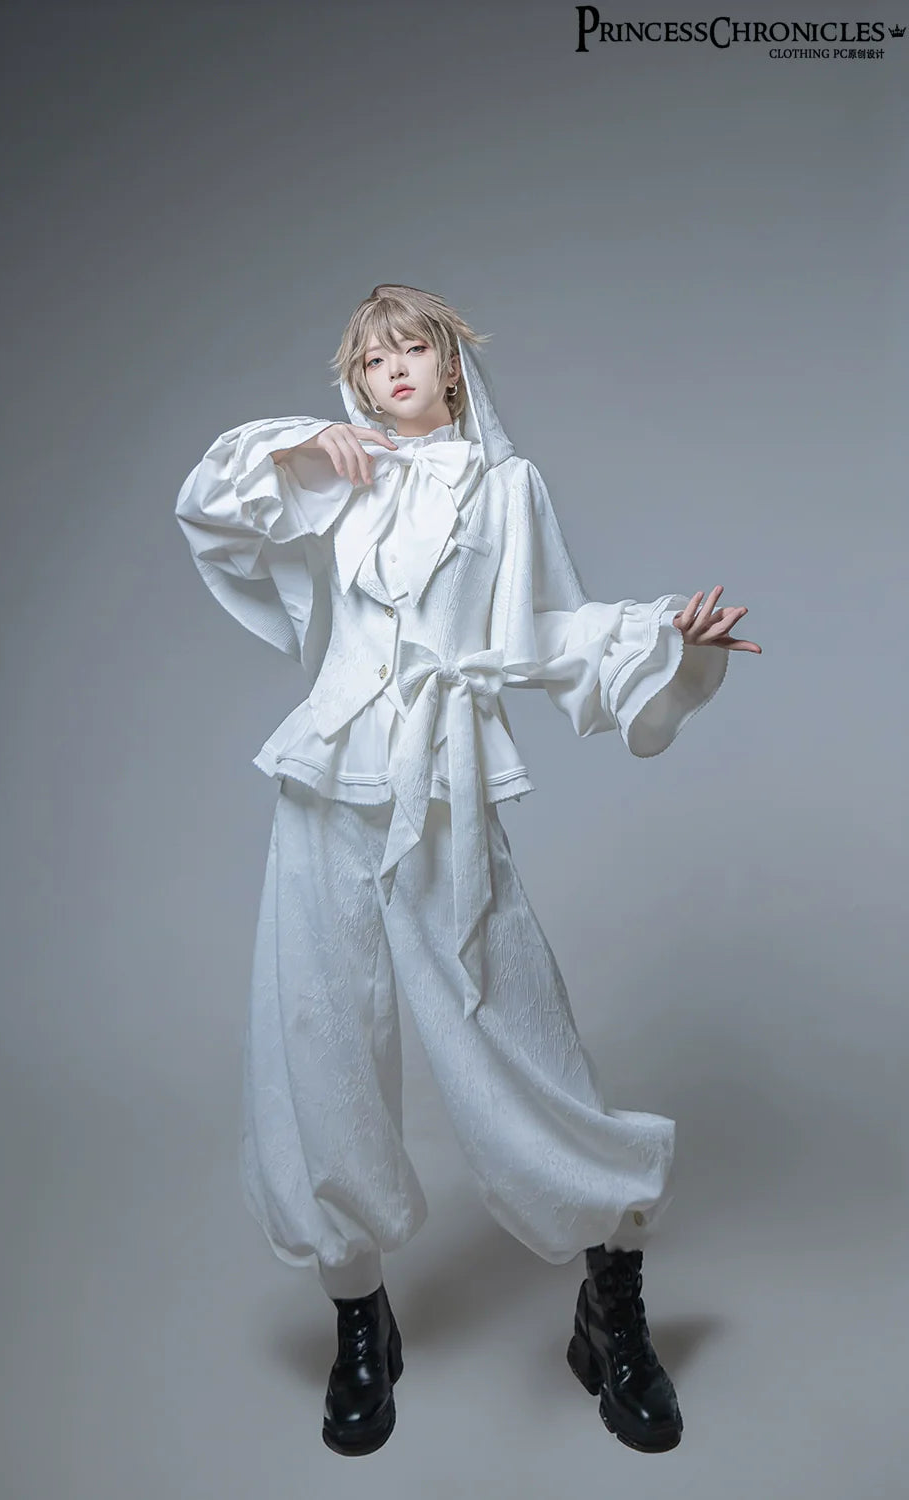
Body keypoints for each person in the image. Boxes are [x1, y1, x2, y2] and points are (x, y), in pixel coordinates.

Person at [174, 284, 760, 1459]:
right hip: (325, 784)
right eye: (369, 357)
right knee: (319, 1035)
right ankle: (358, 1312)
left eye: (412, 347)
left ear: (452, 366)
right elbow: (212, 508)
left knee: (509, 1022)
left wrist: (664, 638)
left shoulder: (507, 488)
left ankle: (610, 1304)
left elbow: (549, 631)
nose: (391, 367)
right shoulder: (335, 478)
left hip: (441, 786)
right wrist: (302, 447)